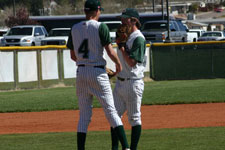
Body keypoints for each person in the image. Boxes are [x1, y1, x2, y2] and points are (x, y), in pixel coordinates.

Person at [66, 0, 130, 150]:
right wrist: (118, 64)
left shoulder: (74, 28)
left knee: (84, 116)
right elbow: (109, 51)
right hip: (97, 72)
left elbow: (73, 56)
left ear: (85, 11)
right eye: (100, 10)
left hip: (81, 72)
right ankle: (126, 148)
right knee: (111, 111)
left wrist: (86, 62)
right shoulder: (101, 27)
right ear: (97, 11)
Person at [110, 8, 147, 150]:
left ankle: (132, 148)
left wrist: (122, 47)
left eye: (125, 18)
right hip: (120, 82)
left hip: (133, 82)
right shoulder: (124, 37)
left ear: (134, 20)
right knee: (113, 117)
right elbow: (123, 62)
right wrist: (115, 72)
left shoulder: (138, 38)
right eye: (121, 18)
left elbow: (132, 63)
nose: (122, 21)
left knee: (134, 118)